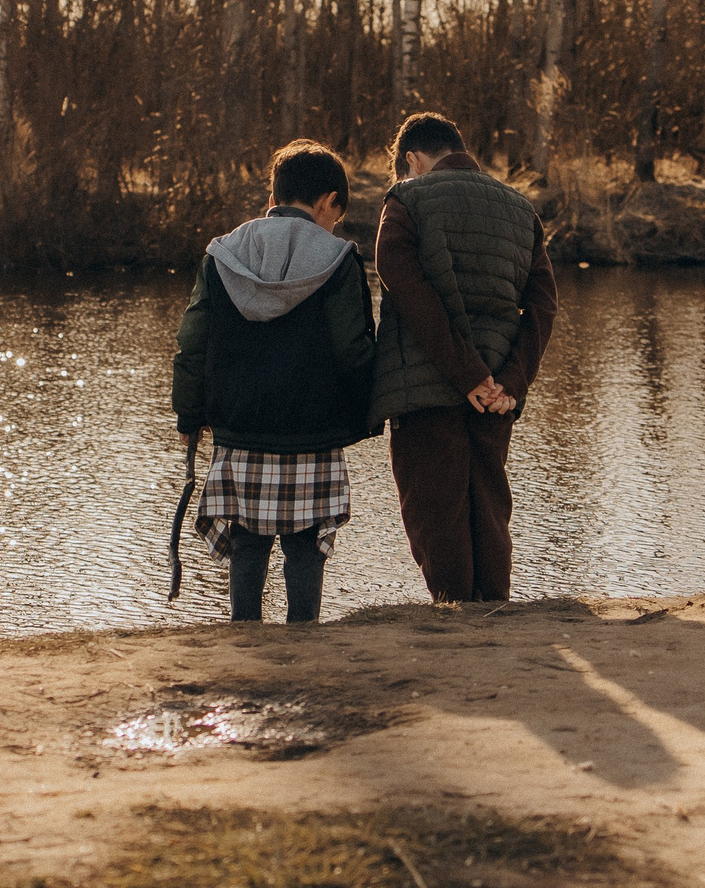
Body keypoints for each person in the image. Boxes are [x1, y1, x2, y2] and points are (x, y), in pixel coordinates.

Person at [171, 140, 377, 622]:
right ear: (328, 201)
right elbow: (353, 351)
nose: (333, 226)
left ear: (276, 193)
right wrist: (369, 411)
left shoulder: (222, 255)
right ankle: (303, 637)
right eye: (336, 215)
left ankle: (244, 633)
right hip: (314, 433)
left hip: (239, 431)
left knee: (248, 544)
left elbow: (193, 341)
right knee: (306, 546)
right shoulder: (339, 260)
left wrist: (189, 414)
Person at [369, 112, 557, 603]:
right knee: (489, 508)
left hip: (425, 391)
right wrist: (510, 384)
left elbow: (409, 291)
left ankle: (457, 624)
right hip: (496, 396)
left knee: (436, 515)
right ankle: (494, 615)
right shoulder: (520, 209)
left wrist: (467, 375)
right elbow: (542, 305)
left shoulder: (405, 199)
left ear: (411, 159)